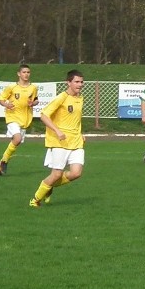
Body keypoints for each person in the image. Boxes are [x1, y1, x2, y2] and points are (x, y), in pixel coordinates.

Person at [29, 69, 85, 208]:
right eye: (77, 82)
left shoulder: (80, 98)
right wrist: (57, 131)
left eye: (81, 82)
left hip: (76, 141)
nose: (80, 84)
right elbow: (44, 115)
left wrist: (80, 133)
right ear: (69, 82)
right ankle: (35, 200)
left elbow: (74, 120)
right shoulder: (62, 97)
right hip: (59, 141)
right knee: (56, 175)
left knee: (76, 173)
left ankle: (49, 187)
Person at [0, 64, 39, 176]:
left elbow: (36, 100)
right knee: (17, 138)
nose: (26, 74)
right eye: (24, 72)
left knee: (16, 142)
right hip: (12, 117)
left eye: (28, 72)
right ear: (19, 74)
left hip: (25, 119)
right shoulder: (12, 87)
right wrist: (6, 105)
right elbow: (0, 99)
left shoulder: (33, 88)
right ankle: (4, 161)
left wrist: (32, 103)